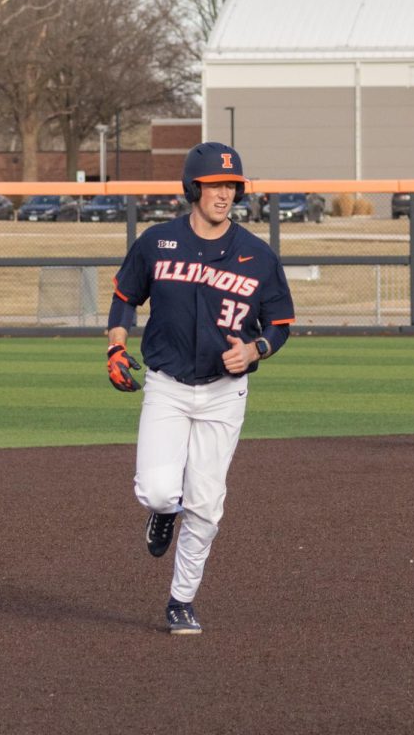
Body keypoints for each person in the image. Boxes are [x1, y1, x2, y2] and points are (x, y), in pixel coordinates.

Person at [105, 142, 295, 635]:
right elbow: (125, 297)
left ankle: (181, 600)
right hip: (166, 385)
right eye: (215, 185)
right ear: (193, 188)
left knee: (207, 505)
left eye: (232, 185)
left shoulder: (258, 255)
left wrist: (256, 351)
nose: (225, 194)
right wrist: (116, 347)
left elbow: (279, 323)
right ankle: (164, 513)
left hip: (223, 393)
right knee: (157, 489)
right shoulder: (157, 242)